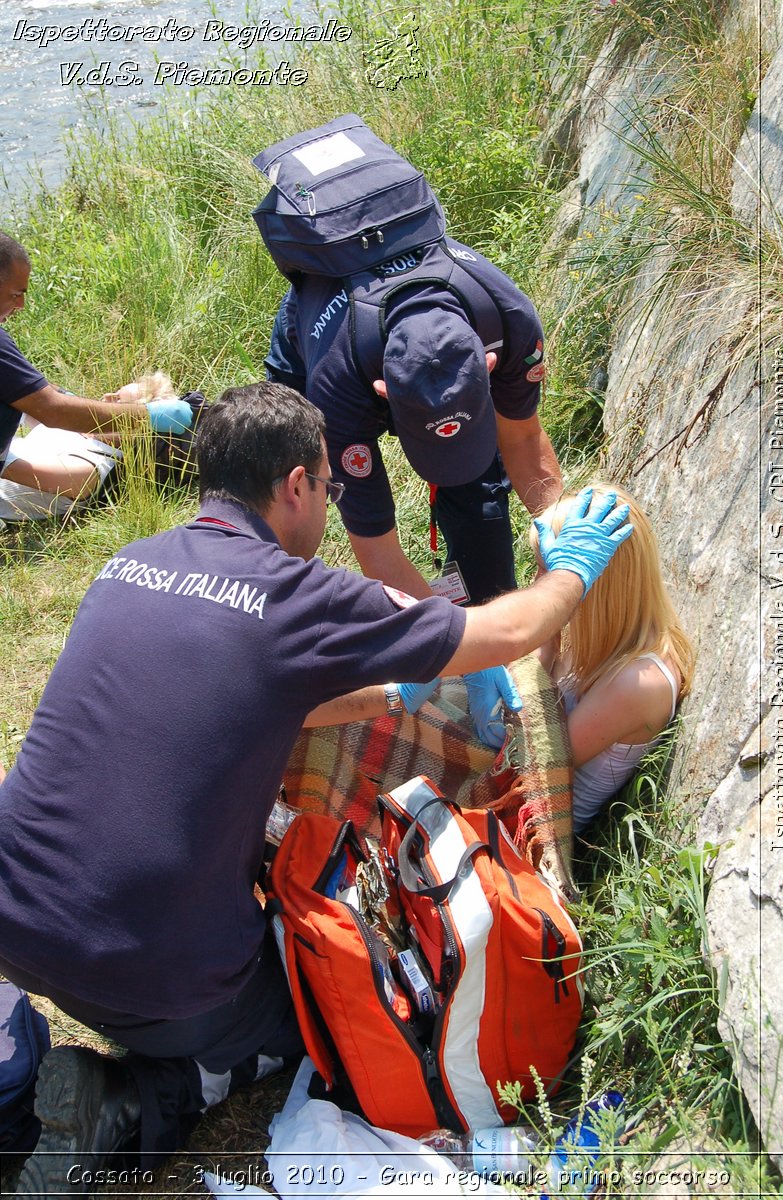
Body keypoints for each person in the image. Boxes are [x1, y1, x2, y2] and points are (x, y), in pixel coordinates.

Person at [1, 382, 631, 1193]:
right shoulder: (299, 596)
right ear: (295, 485)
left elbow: (247, 687)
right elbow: (504, 633)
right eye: (329, 486)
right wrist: (573, 572)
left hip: (16, 927)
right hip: (145, 971)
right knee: (325, 1000)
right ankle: (132, 1102)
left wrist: (386, 694)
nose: (330, 505)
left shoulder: (132, 562)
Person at [265, 237, 562, 607]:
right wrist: (465, 653)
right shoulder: (335, 386)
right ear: (383, 393)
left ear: (487, 366)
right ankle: (274, 613)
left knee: (479, 502)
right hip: (322, 334)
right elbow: (379, 553)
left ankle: (482, 598)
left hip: (389, 336)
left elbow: (524, 440)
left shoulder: (509, 323)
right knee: (289, 484)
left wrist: (560, 558)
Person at [531, 483, 695, 832]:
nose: (538, 585)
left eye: (550, 573)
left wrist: (545, 621)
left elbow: (535, 765)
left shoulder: (637, 683)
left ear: (598, 586)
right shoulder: (603, 630)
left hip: (534, 825)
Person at [0, 232, 193, 523]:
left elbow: (31, 399)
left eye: (118, 406)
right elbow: (45, 406)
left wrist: (63, 403)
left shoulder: (91, 466)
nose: (106, 402)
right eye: (16, 294)